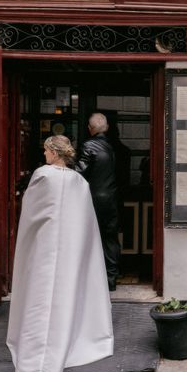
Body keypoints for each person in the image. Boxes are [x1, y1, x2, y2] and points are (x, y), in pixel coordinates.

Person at [7, 135, 113, 372]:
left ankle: (36, 360)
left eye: (45, 150)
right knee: (66, 291)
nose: (44, 155)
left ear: (54, 153)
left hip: (44, 246)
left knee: (42, 293)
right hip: (71, 249)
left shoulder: (43, 175)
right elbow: (85, 222)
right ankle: (66, 341)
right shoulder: (79, 182)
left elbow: (31, 212)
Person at [75, 112, 120, 291]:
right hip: (113, 198)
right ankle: (111, 279)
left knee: (89, 237)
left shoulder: (88, 145)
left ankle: (90, 279)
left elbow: (80, 171)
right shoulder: (116, 147)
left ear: (90, 129)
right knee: (111, 238)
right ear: (107, 128)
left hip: (94, 198)